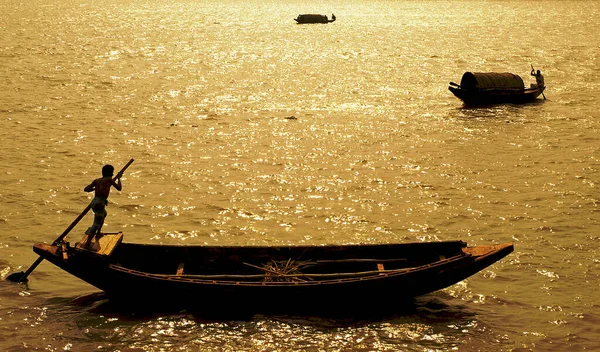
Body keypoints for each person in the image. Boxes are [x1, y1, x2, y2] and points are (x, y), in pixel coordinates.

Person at [84, 164, 122, 241]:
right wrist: (118, 178)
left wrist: (96, 188)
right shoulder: (109, 179)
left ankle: (98, 233)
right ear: (110, 173)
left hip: (94, 201)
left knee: (104, 214)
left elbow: (86, 189)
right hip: (100, 203)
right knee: (96, 223)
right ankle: (88, 242)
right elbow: (119, 188)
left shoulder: (97, 180)